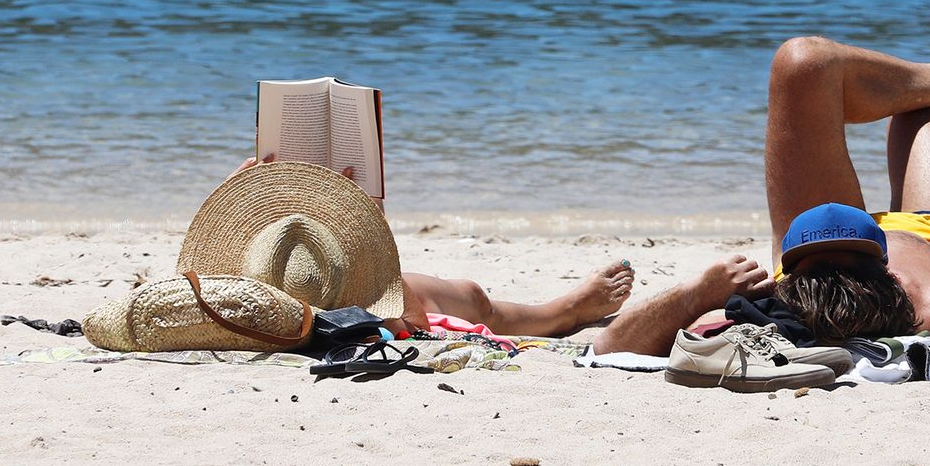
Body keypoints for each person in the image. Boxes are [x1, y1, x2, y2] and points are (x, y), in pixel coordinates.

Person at [594, 0, 930, 362]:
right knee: (922, 108)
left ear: (784, 275)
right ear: (885, 266)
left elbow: (610, 347)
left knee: (802, 62)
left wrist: (697, 292)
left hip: (813, 238)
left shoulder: (772, 309)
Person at [227, 158, 634, 338]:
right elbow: (412, 320)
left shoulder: (230, 297)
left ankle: (566, 310)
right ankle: (565, 312)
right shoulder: (328, 298)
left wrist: (238, 198)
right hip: (326, 310)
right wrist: (369, 232)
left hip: (267, 296)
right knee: (470, 299)